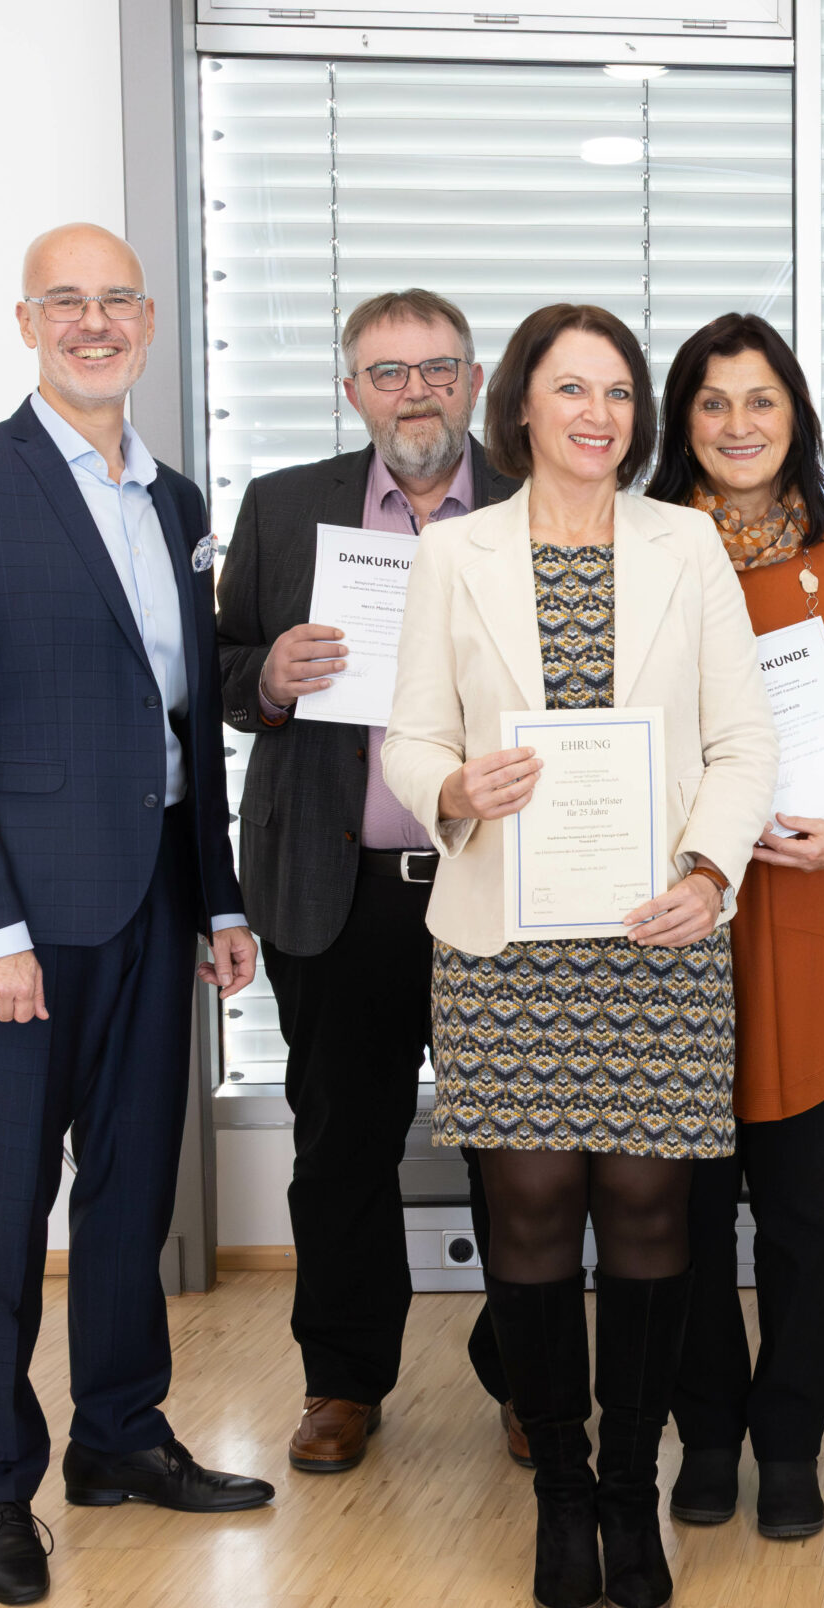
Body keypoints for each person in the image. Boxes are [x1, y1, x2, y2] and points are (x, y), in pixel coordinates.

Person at [0, 223, 273, 1608]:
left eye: (116, 301)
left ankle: (118, 1437)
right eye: (68, 302)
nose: (94, 323)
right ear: (27, 321)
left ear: (152, 320)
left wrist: (219, 898)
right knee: (4, 1203)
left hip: (156, 900)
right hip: (21, 925)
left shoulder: (172, 500)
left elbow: (179, 724)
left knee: (130, 1196)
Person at [382, 303, 777, 1608]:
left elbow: (743, 747)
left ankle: (628, 1491)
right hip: (507, 942)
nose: (597, 413)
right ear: (523, 407)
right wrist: (458, 784)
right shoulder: (457, 554)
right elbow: (407, 742)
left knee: (658, 1219)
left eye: (616, 391)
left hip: (656, 939)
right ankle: (558, 1490)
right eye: (570, 390)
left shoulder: (689, 546)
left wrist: (710, 873)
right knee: (535, 1216)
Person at [215, 288, 528, 1478]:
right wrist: (274, 676)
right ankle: (343, 1378)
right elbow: (221, 675)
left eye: (438, 368)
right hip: (337, 888)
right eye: (388, 372)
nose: (415, 392)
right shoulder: (287, 507)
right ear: (353, 390)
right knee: (341, 1146)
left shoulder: (529, 503)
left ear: (473, 380)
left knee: (517, 1145)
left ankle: (527, 1373)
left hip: (493, 882)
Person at [646, 314, 824, 1540]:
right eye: (713, 403)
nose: (739, 425)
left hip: (812, 912)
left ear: (796, 415)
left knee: (802, 1214)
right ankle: (705, 1435)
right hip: (667, 926)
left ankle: (789, 1443)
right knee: (689, 1216)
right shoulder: (638, 551)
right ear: (683, 423)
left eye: (761, 400)